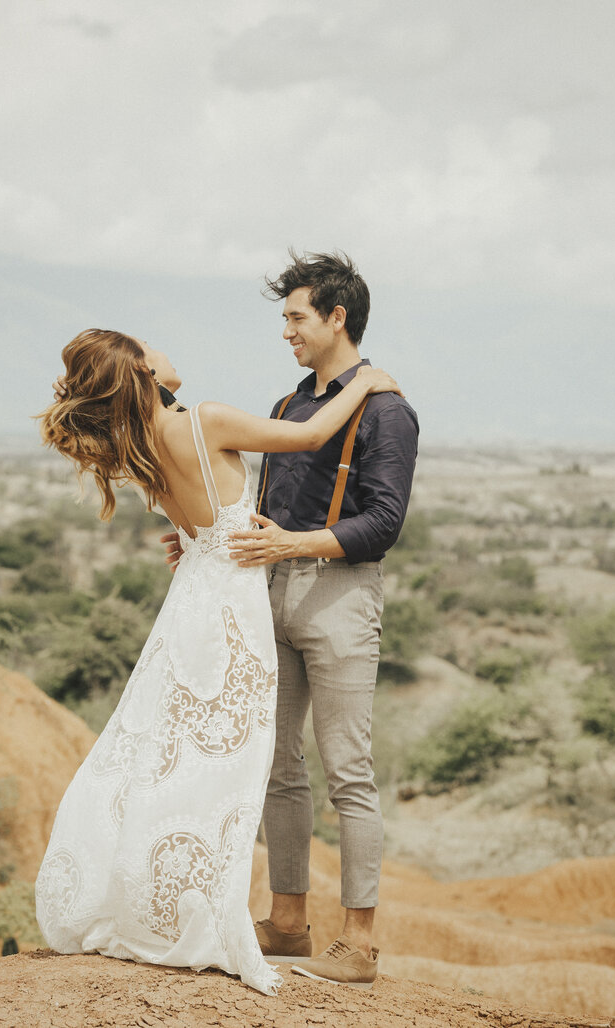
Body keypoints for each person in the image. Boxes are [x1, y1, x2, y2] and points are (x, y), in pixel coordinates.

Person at [34, 327, 400, 996]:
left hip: (189, 605)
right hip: (235, 606)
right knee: (232, 765)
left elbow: (197, 529)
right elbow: (312, 436)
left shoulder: (135, 445)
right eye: (150, 348)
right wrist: (367, 385)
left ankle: (166, 900)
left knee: (165, 754)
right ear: (143, 371)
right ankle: (210, 910)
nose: (165, 349)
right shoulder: (203, 420)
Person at [165, 252, 419, 989]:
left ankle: (360, 942)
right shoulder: (287, 407)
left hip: (341, 597)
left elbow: (383, 522)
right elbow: (266, 507)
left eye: (295, 317)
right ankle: (286, 922)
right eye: (285, 319)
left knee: (347, 770)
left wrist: (291, 545)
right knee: (275, 764)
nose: (286, 332)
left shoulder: (388, 409)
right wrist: (197, 539)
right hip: (269, 588)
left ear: (336, 317)